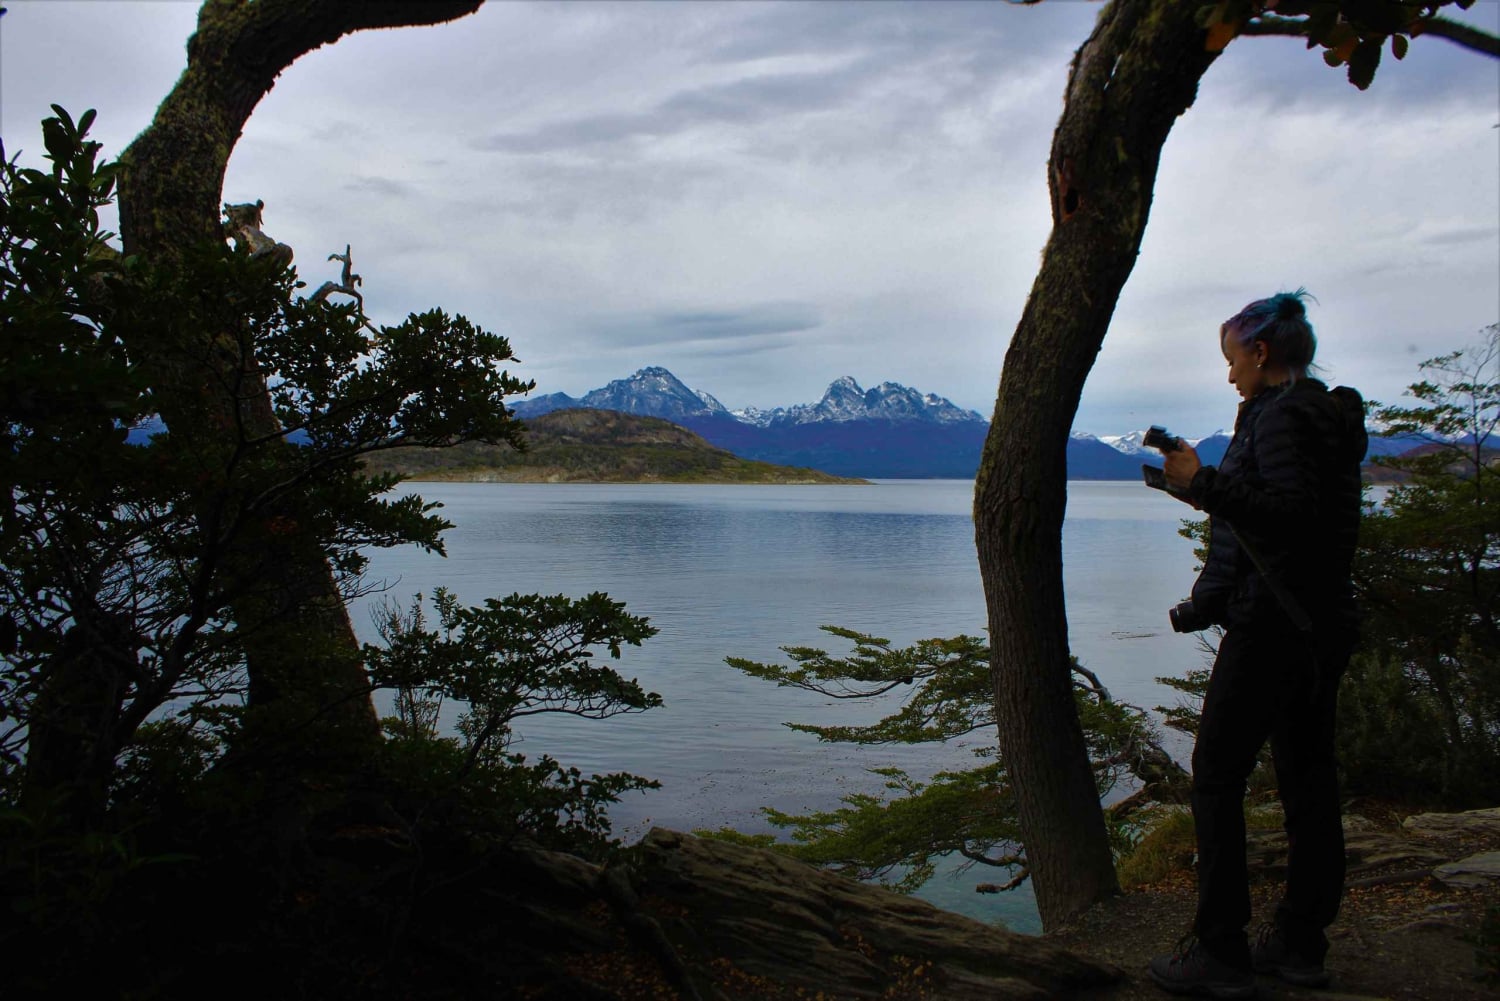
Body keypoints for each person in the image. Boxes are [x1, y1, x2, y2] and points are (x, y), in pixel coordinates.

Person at [1147, 290, 1367, 998]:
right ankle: (1301, 943)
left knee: (1215, 774)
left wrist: (1207, 482)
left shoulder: (1285, 414)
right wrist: (1196, 486)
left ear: (1261, 352)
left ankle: (1221, 949)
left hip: (1275, 627)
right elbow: (1268, 519)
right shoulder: (1310, 415)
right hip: (1314, 624)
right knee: (1307, 779)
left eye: (1232, 358)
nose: (1230, 374)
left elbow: (1290, 518)